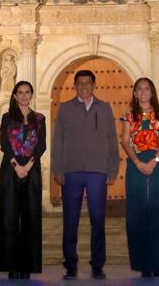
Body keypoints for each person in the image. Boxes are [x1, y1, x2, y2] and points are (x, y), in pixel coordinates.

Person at [51, 69, 120, 280]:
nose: (84, 86)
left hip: (97, 172)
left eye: (88, 83)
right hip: (71, 171)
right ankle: (70, 265)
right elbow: (58, 141)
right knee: (70, 221)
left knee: (97, 220)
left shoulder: (105, 108)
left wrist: (112, 168)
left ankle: (98, 265)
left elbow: (111, 139)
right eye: (80, 83)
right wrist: (57, 169)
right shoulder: (64, 109)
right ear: (75, 85)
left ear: (94, 85)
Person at [0, 80, 46, 280]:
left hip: (32, 171)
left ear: (31, 95)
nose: (23, 96)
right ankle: (11, 265)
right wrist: (17, 167)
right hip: (10, 171)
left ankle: (27, 266)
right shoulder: (6, 118)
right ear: (14, 95)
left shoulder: (39, 119)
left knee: (30, 219)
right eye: (20, 92)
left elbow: (41, 146)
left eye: (27, 92)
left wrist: (28, 167)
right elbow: (4, 145)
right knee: (9, 218)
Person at [120, 77, 159, 278]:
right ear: (135, 93)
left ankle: (156, 263)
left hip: (158, 161)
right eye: (139, 89)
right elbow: (125, 141)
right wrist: (137, 162)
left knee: (157, 210)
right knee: (136, 211)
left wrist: (154, 161)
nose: (143, 92)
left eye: (147, 89)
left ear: (152, 92)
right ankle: (141, 264)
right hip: (135, 162)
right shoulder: (128, 115)